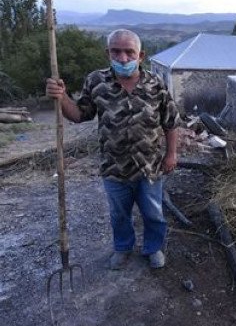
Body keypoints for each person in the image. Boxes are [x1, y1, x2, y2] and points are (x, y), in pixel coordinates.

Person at [46, 29, 179, 270]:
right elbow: (79, 114)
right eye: (116, 51)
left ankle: (153, 247)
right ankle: (123, 248)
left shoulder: (155, 84)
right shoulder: (96, 81)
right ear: (108, 53)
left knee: (153, 214)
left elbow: (170, 122)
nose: (123, 58)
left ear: (141, 56)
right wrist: (62, 96)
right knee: (119, 215)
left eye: (130, 52)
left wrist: (171, 154)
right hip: (114, 167)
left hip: (150, 166)